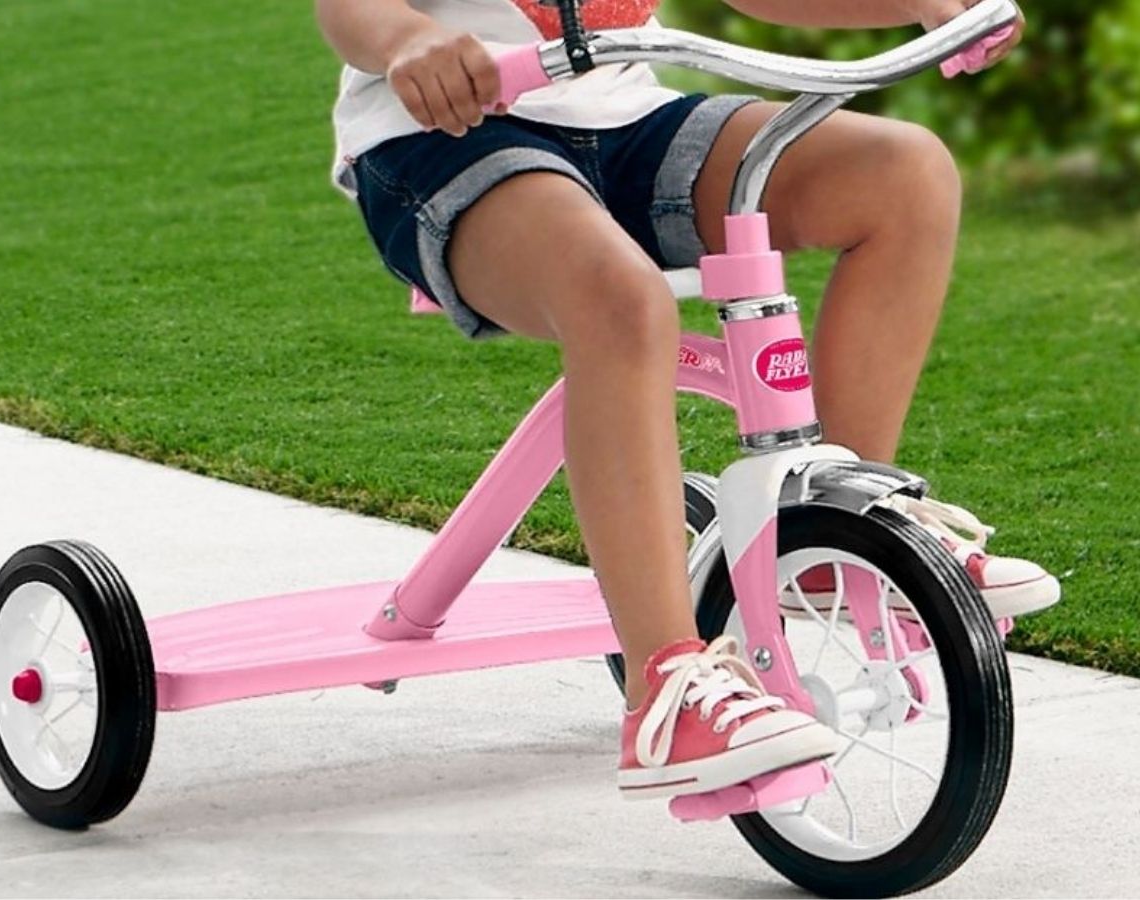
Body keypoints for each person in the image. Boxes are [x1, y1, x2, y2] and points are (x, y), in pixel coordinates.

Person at [315, 0, 1058, 800]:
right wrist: (409, 39)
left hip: (626, 118)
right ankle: (665, 688)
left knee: (903, 174)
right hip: (440, 136)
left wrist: (920, 5)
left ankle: (826, 533)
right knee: (621, 301)